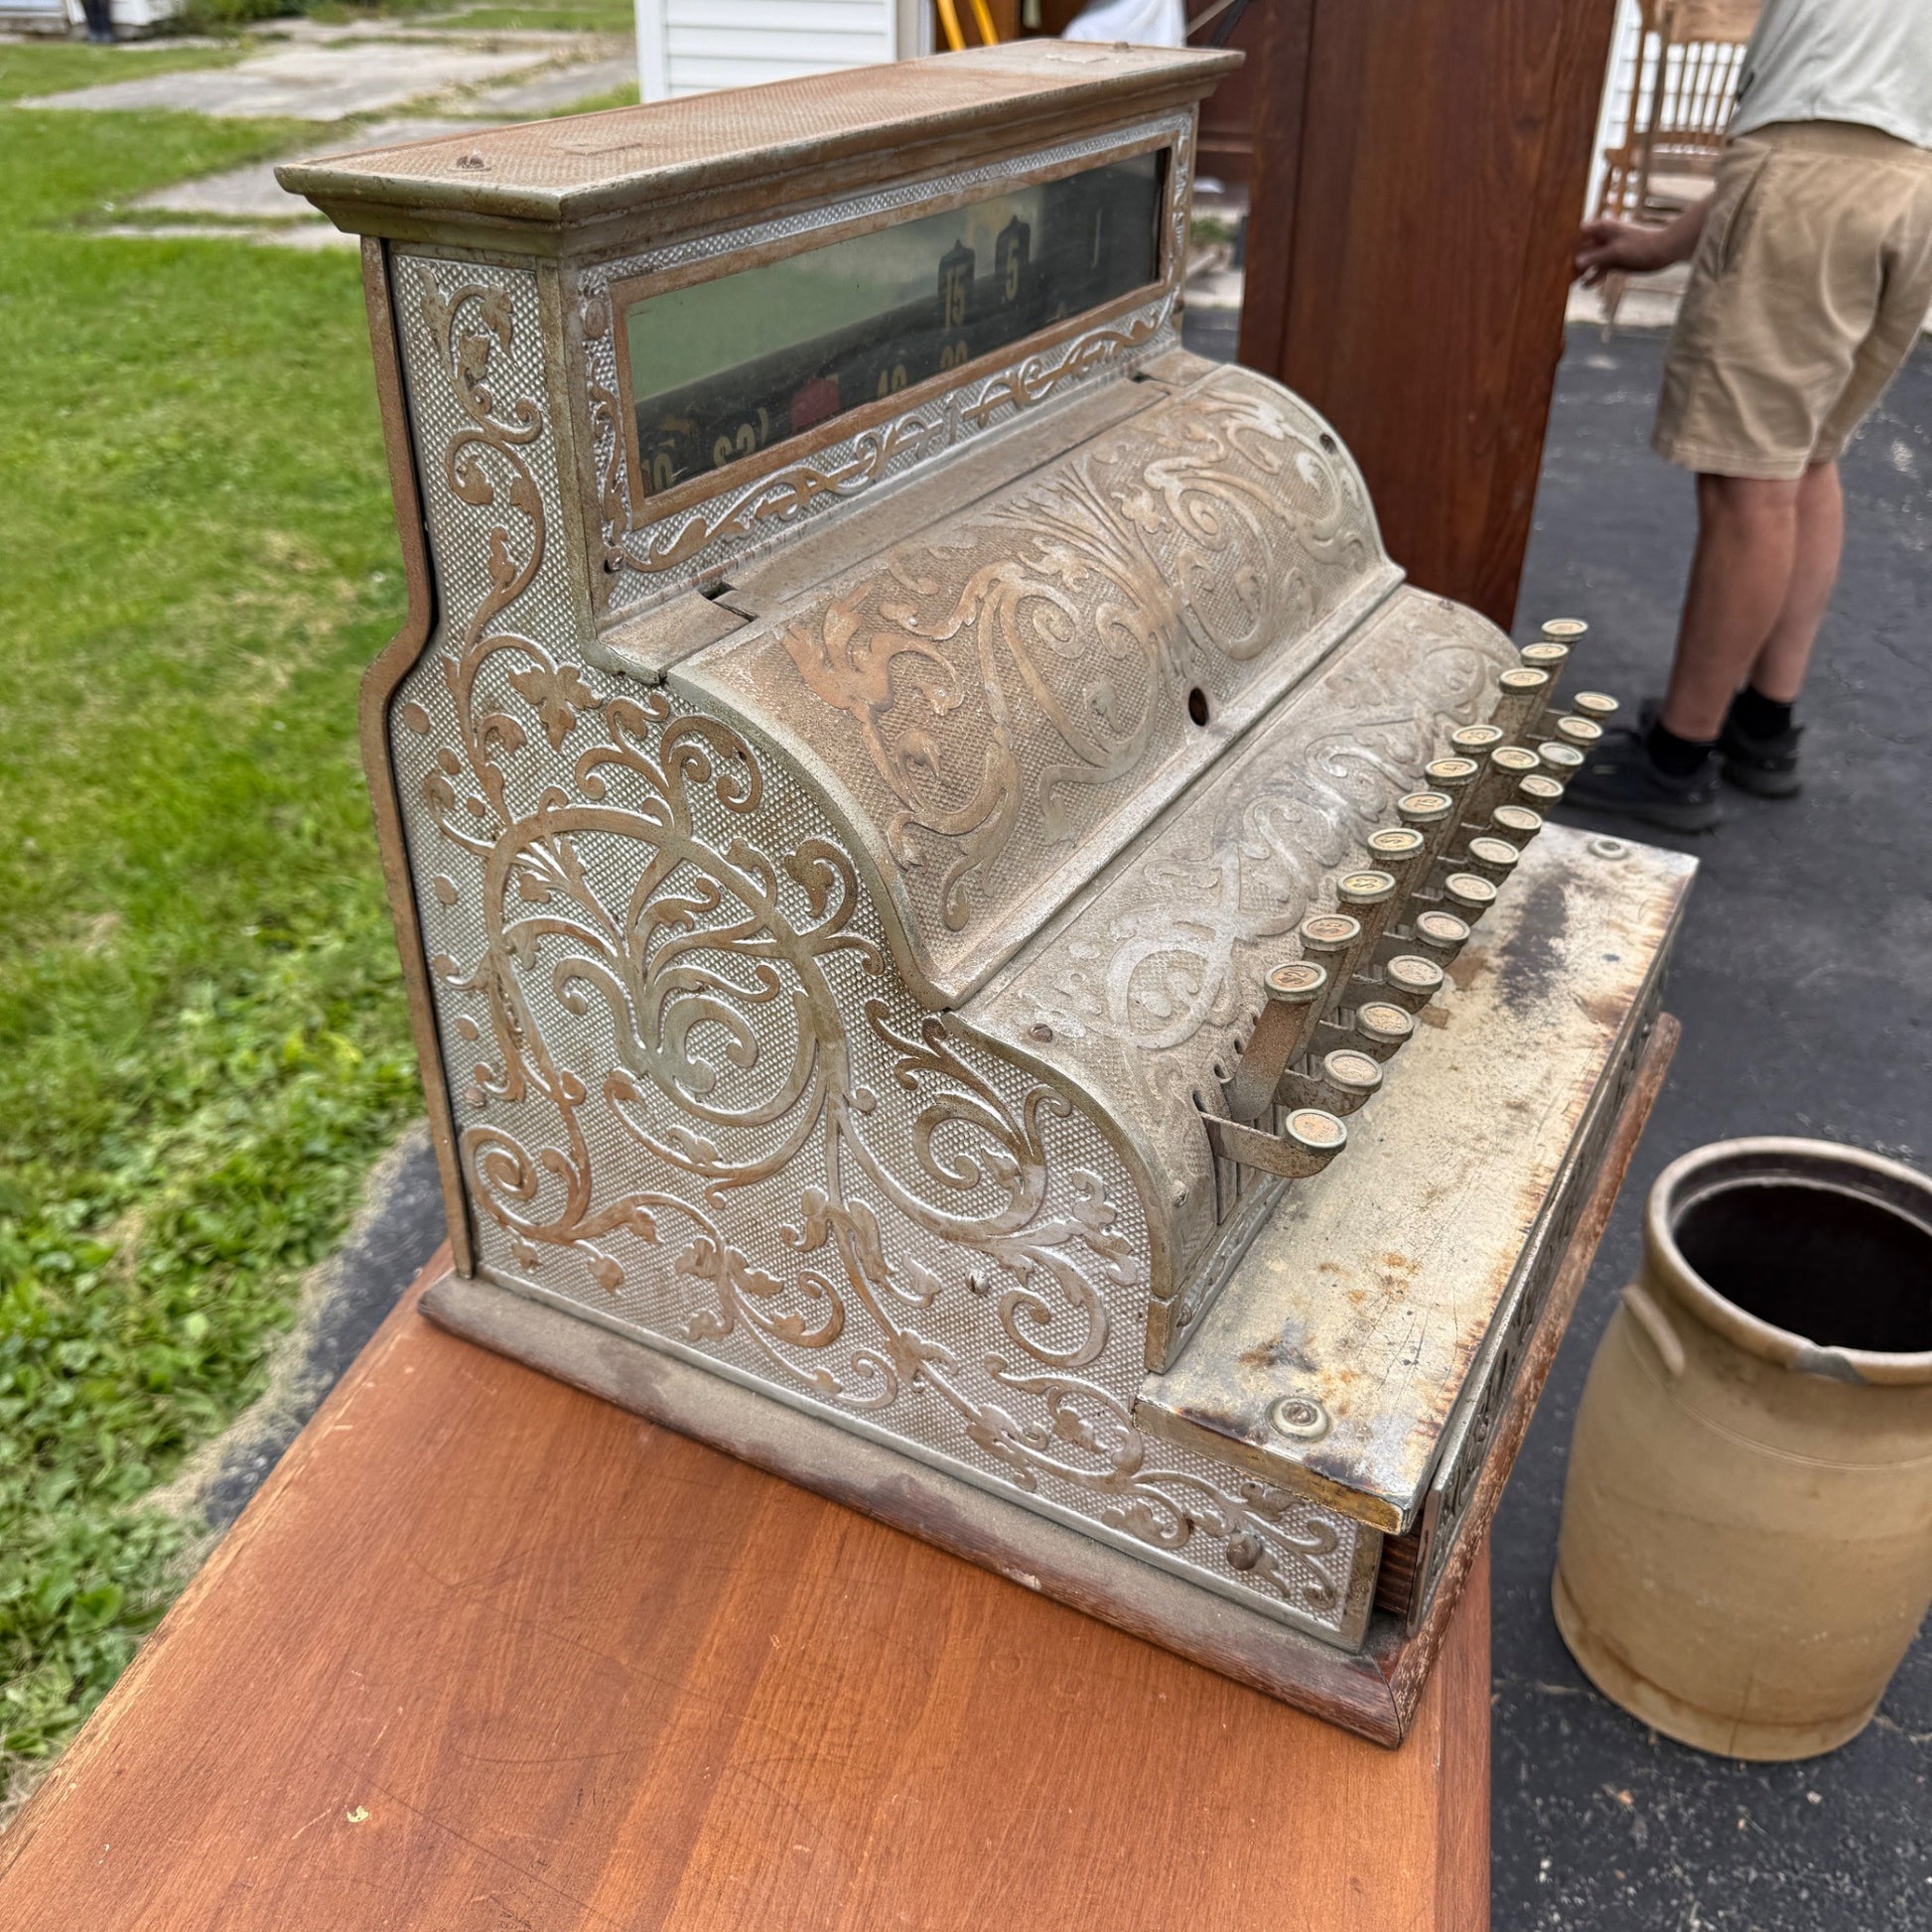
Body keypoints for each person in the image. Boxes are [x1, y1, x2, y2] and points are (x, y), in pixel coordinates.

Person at [1567, 0, 1932, 832]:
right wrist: (1666, 242)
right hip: (1914, 179)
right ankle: (1763, 728)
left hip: (1814, 171)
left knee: (1749, 481)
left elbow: (1813, 131)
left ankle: (1678, 760)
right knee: (1805, 457)